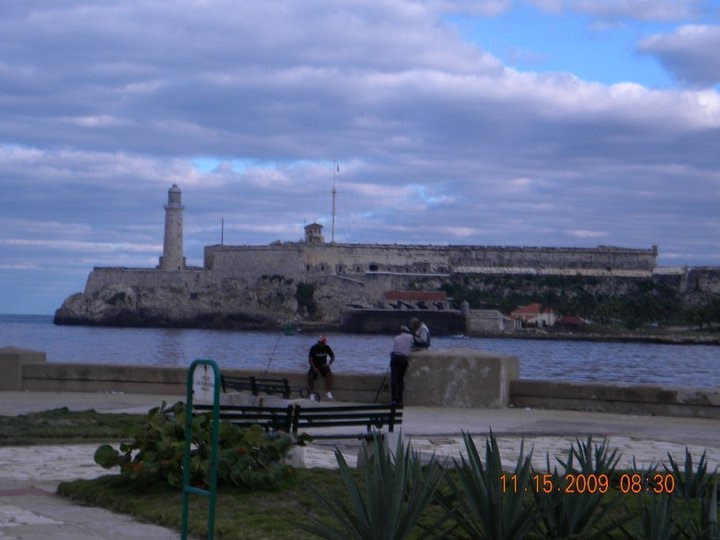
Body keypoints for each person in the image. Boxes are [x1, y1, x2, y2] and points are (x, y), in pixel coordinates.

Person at [389, 325, 413, 406]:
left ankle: (393, 400)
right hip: (403, 359)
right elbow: (412, 347)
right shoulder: (411, 337)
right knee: (400, 380)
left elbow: (394, 349)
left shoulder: (396, 338)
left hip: (395, 358)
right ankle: (399, 400)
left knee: (393, 380)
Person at [307, 335, 335, 400]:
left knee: (329, 374)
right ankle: (311, 394)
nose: (324, 344)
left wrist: (329, 364)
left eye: (325, 342)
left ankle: (328, 392)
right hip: (315, 366)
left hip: (323, 366)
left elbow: (333, 357)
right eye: (323, 342)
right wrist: (314, 368)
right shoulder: (313, 348)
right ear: (320, 342)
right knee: (310, 376)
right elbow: (310, 359)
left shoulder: (327, 347)